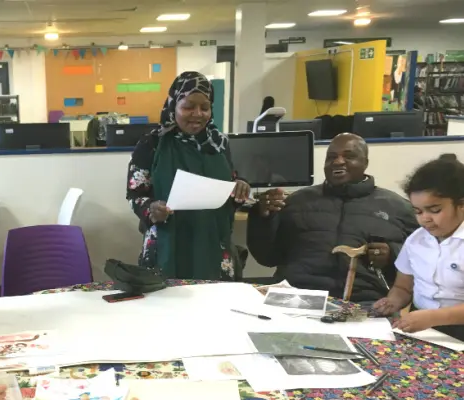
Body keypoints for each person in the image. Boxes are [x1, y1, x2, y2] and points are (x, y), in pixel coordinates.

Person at [248, 133, 418, 303]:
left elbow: (422, 261)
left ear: (365, 162)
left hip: (365, 302)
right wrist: (263, 218)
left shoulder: (399, 208)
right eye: (331, 157)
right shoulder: (296, 202)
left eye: (349, 156)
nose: (338, 161)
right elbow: (267, 258)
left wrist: (392, 255)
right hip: (297, 298)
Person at [126, 71, 250, 280]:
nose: (198, 114)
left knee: (214, 305)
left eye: (205, 107)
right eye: (188, 106)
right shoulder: (152, 144)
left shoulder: (219, 144)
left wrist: (240, 187)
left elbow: (229, 186)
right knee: (168, 306)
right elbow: (135, 194)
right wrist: (151, 209)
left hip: (213, 244)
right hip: (168, 243)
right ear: (173, 106)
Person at [374, 155, 464, 338]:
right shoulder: (416, 240)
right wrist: (393, 301)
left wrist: (432, 317)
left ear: (461, 204)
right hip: (422, 328)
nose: (425, 219)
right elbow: (403, 287)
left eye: (435, 210)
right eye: (418, 211)